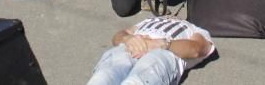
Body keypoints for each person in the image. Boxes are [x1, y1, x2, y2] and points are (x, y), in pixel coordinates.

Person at [86, 15, 215, 85]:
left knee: (138, 81)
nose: (170, 16)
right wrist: (128, 39)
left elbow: (198, 49)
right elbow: (117, 37)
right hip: (130, 48)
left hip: (164, 53)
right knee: (104, 76)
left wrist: (164, 45)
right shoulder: (149, 20)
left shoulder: (192, 28)